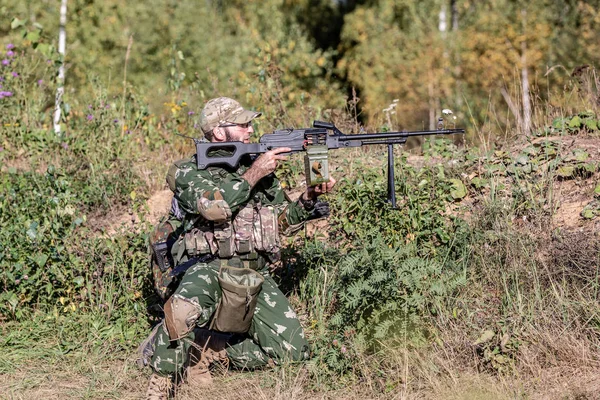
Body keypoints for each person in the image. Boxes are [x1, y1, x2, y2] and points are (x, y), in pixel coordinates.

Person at [141, 97, 336, 399]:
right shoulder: (187, 171)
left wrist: (307, 199)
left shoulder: (257, 170)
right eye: (243, 124)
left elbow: (281, 222)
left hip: (253, 273)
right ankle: (161, 382)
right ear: (219, 132)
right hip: (207, 269)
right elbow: (214, 208)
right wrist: (255, 172)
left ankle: (204, 349)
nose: (250, 129)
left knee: (293, 351)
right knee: (181, 311)